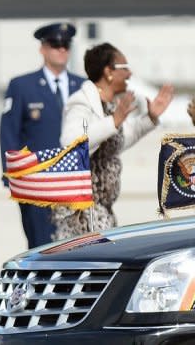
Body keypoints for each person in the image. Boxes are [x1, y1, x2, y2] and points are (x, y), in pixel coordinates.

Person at [52, 42, 174, 240]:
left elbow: (118, 139)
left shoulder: (109, 107)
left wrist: (150, 118)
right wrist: (114, 121)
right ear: (108, 71)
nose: (129, 74)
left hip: (101, 212)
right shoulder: (82, 102)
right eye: (124, 68)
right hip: (82, 216)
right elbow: (70, 143)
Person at [0, 22, 85, 249]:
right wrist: (13, 176)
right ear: (43, 49)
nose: (61, 49)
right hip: (38, 184)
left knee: (80, 248)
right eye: (55, 44)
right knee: (42, 247)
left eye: (65, 44)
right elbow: (9, 133)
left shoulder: (83, 86)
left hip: (76, 184)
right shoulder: (22, 86)